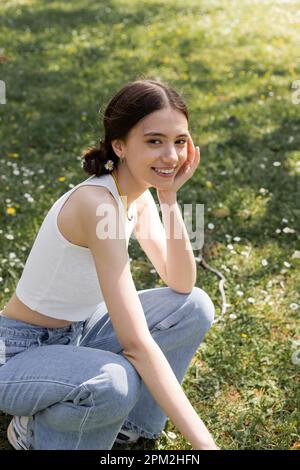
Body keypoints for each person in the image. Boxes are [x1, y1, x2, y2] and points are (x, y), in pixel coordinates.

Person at [0, 78, 218, 450]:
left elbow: (181, 283)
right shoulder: (98, 205)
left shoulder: (138, 195)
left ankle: (129, 426)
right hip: (19, 355)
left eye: (179, 141)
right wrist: (206, 446)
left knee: (193, 305)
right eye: (154, 141)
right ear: (120, 145)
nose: (171, 156)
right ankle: (34, 431)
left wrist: (168, 196)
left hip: (80, 333)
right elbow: (135, 344)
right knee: (114, 383)